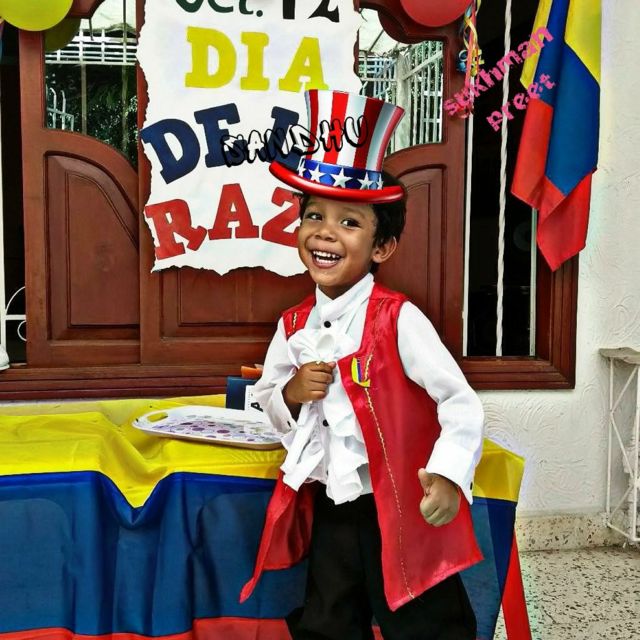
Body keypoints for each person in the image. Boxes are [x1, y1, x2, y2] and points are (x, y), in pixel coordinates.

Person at [240, 90, 484, 640]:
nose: (325, 231)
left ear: (383, 247)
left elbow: (459, 401)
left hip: (403, 505)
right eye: (313, 215)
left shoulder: (399, 319)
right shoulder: (292, 325)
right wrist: (292, 393)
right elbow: (267, 405)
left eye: (349, 222)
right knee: (328, 620)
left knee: (426, 623)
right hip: (335, 504)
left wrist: (448, 473)